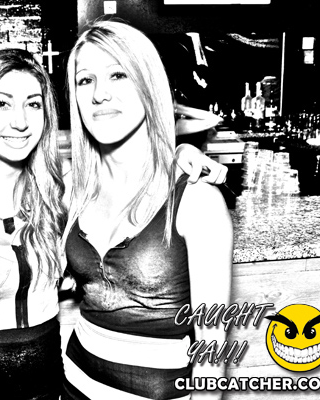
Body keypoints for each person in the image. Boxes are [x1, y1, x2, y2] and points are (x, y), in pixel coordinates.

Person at [0, 47, 228, 400]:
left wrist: (181, 154)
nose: (20, 121)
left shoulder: (62, 188)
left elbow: (134, 174)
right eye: (1, 103)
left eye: (33, 104)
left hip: (44, 379)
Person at [62, 20, 233, 400]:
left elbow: (212, 347)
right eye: (85, 80)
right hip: (73, 387)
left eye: (118, 74)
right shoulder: (74, 187)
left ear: (147, 83)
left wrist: (180, 151)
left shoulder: (196, 199)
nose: (100, 94)